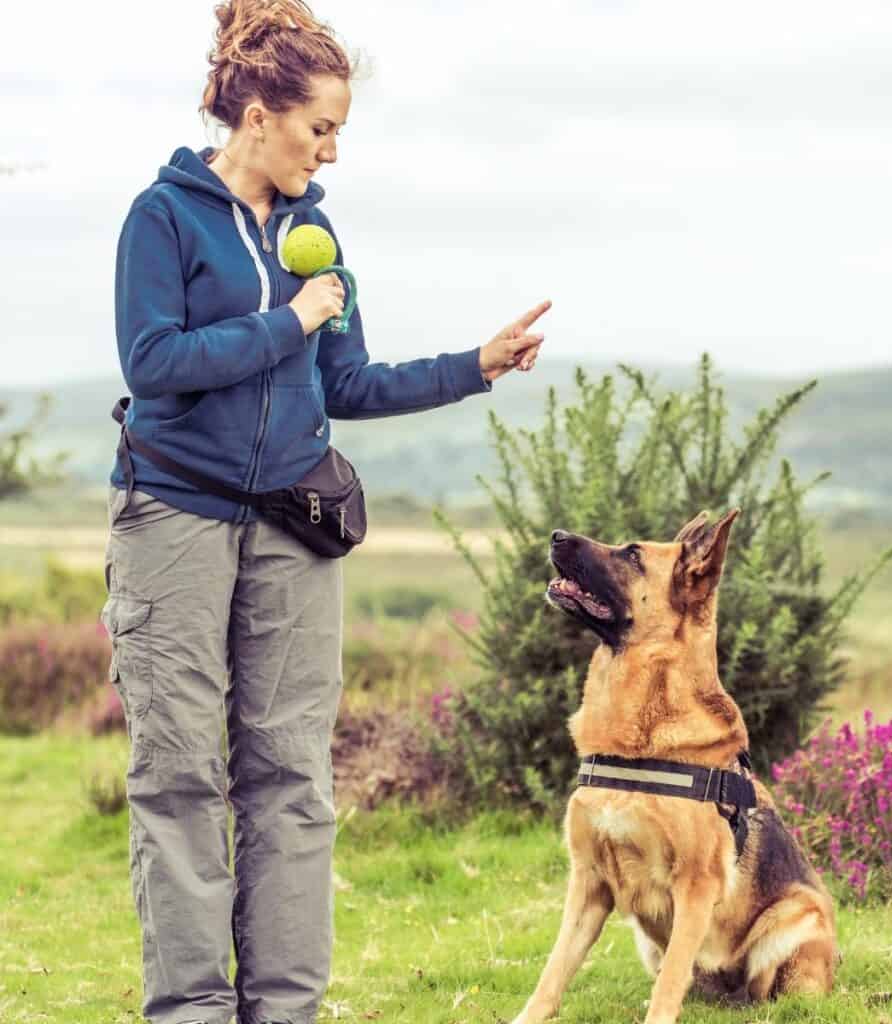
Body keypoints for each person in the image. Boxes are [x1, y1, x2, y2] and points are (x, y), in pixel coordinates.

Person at [101, 2, 549, 1023]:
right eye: (320, 129)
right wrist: (285, 320)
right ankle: (192, 1012)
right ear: (258, 115)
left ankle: (287, 1012)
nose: (332, 151)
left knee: (293, 779)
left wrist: (471, 366)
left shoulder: (316, 228)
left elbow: (344, 380)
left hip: (292, 531)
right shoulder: (163, 215)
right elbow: (154, 363)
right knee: (178, 779)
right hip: (173, 521)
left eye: (340, 133)